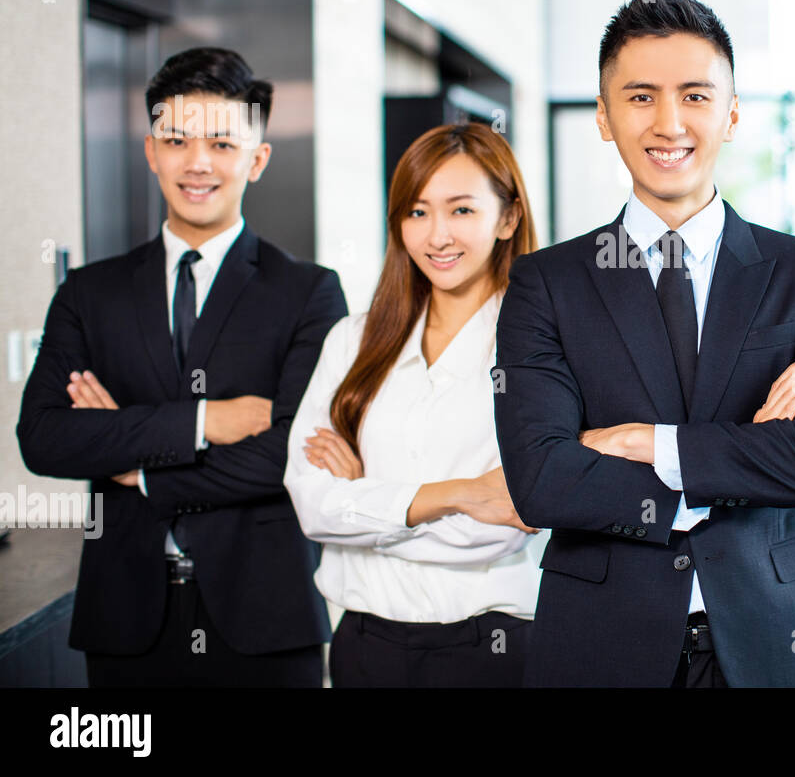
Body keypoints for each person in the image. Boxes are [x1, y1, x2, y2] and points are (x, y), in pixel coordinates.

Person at [493, 0, 795, 688]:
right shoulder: (546, 284)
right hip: (602, 643)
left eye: (695, 96)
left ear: (731, 114)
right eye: (640, 98)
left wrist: (645, 441)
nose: (669, 123)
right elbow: (541, 480)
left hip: (777, 635)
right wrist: (746, 450)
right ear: (604, 118)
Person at [17, 46, 347, 686]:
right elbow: (46, 438)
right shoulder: (89, 293)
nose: (198, 163)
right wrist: (203, 420)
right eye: (177, 140)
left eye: (223, 144)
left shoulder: (308, 291)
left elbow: (291, 452)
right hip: (125, 621)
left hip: (266, 621)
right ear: (150, 151)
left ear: (258, 159)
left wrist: (131, 465)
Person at [285, 123, 542, 687]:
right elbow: (314, 506)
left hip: (489, 647)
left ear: (507, 218)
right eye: (417, 212)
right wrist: (459, 494)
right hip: (363, 646)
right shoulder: (353, 340)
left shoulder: (540, 348)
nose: (437, 235)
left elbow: (504, 526)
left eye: (462, 210)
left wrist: (365, 493)